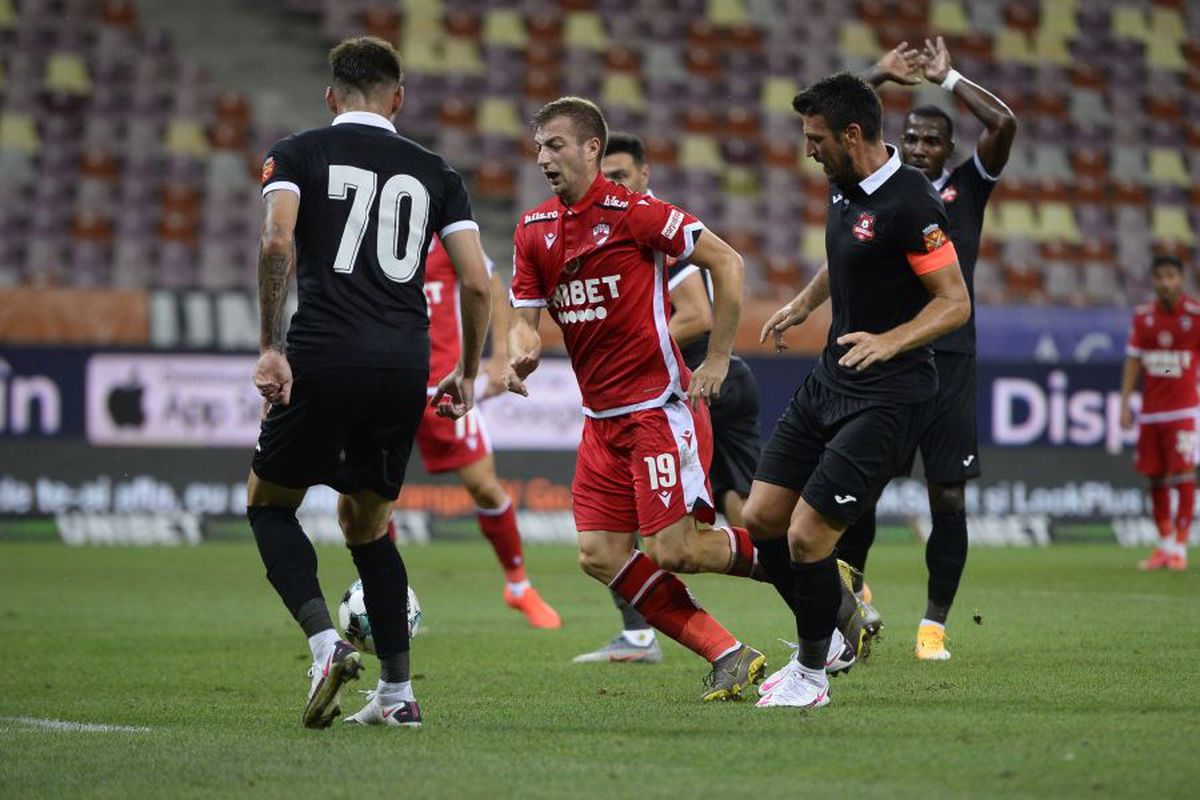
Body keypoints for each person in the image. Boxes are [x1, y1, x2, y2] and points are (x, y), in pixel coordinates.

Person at [247, 37, 490, 729]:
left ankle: (327, 644)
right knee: (368, 523)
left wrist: (270, 345)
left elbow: (275, 241)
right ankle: (397, 694)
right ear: (399, 98)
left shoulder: (298, 153)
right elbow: (476, 280)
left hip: (324, 356)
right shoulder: (436, 171)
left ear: (331, 97)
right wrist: (467, 371)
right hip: (403, 366)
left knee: (268, 504)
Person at [504, 96, 767, 701]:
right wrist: (522, 347)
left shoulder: (635, 214)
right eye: (539, 146)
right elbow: (524, 319)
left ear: (592, 149)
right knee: (598, 554)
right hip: (600, 422)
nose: (543, 157)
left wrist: (721, 356)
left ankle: (805, 570)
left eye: (556, 145)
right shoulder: (534, 228)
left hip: (656, 410)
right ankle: (728, 653)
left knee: (676, 550)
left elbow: (727, 262)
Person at [745, 72, 970, 709]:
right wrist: (802, 302)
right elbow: (844, 254)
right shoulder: (845, 186)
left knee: (808, 539)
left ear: (852, 135)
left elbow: (954, 303)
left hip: (889, 392)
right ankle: (835, 637)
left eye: (816, 138)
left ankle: (812, 675)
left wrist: (890, 340)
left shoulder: (912, 203)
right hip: (830, 380)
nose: (808, 149)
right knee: (761, 517)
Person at [835, 36, 1018, 661]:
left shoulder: (967, 188)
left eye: (930, 140)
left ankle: (933, 624)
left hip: (950, 363)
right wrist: (879, 75)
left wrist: (948, 78)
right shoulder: (876, 190)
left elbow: (1004, 122)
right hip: (888, 358)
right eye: (910, 138)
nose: (917, 148)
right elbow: (831, 121)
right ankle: (852, 605)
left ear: (949, 149)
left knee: (946, 496)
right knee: (856, 491)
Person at [572, 132, 764, 664]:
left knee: (664, 537)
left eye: (621, 175)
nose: (611, 184)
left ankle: (810, 566)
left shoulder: (648, 225)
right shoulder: (592, 233)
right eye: (604, 175)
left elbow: (697, 315)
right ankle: (807, 571)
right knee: (733, 513)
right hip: (679, 387)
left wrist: (622, 347)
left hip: (694, 383)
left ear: (645, 175)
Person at [404, 236, 562, 627]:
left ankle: (519, 586)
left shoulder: (447, 238)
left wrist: (496, 358)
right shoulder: (373, 230)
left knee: (485, 486)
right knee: (373, 492)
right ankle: (382, 596)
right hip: (389, 382)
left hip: (444, 383)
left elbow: (491, 283)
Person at [1120, 255, 1200, 572]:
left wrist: (1169, 365)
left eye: (1171, 276)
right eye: (1161, 277)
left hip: (1183, 410)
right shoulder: (1144, 317)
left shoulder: (1195, 315)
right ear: (1154, 280)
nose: (1166, 282)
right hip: (1152, 411)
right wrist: (1125, 401)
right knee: (1154, 476)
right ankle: (1164, 544)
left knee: (1184, 475)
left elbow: (1177, 364)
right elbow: (1135, 360)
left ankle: (1181, 544)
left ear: (1181, 279)